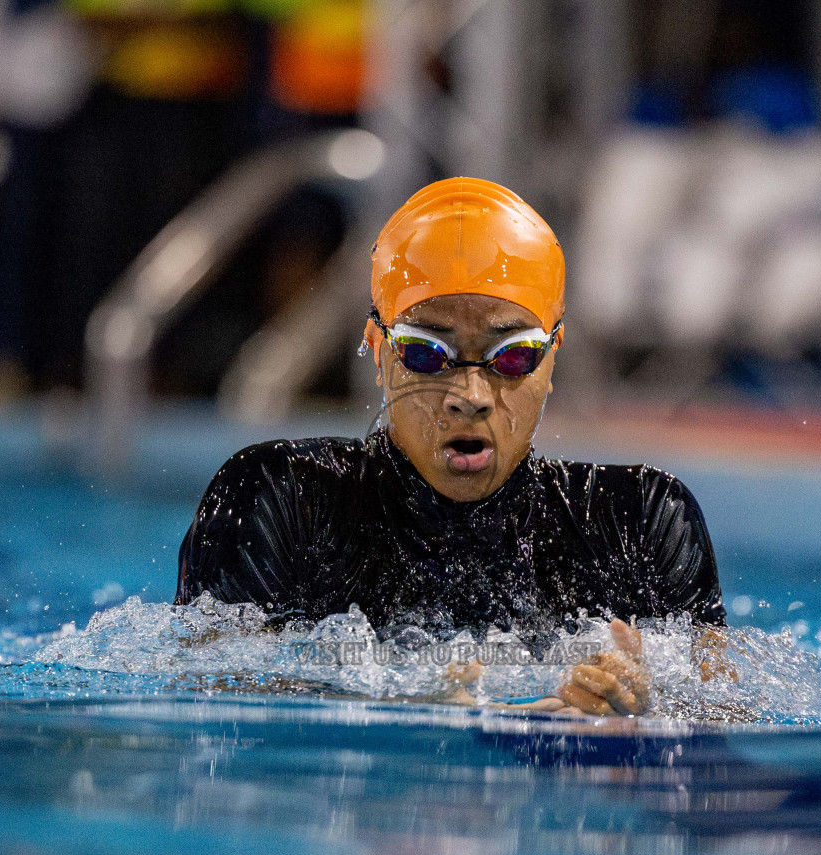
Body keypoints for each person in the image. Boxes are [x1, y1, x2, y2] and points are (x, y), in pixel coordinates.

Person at [177, 178, 727, 716]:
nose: (470, 395)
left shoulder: (640, 518)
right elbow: (207, 695)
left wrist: (641, 712)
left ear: (552, 356)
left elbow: (732, 715)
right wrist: (411, 711)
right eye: (425, 352)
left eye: (512, 356)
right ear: (377, 350)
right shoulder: (283, 497)